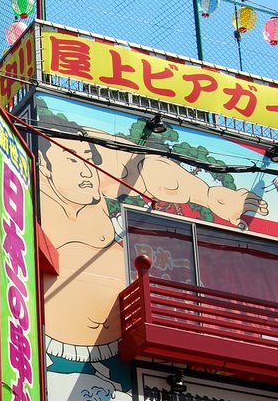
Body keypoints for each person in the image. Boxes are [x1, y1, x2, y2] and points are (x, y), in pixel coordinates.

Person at [37, 119, 268, 353]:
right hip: (48, 344)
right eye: (72, 159)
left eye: (87, 158)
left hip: (119, 343)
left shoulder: (80, 144)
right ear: (44, 166)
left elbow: (141, 168)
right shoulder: (24, 180)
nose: (86, 170)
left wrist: (208, 196)